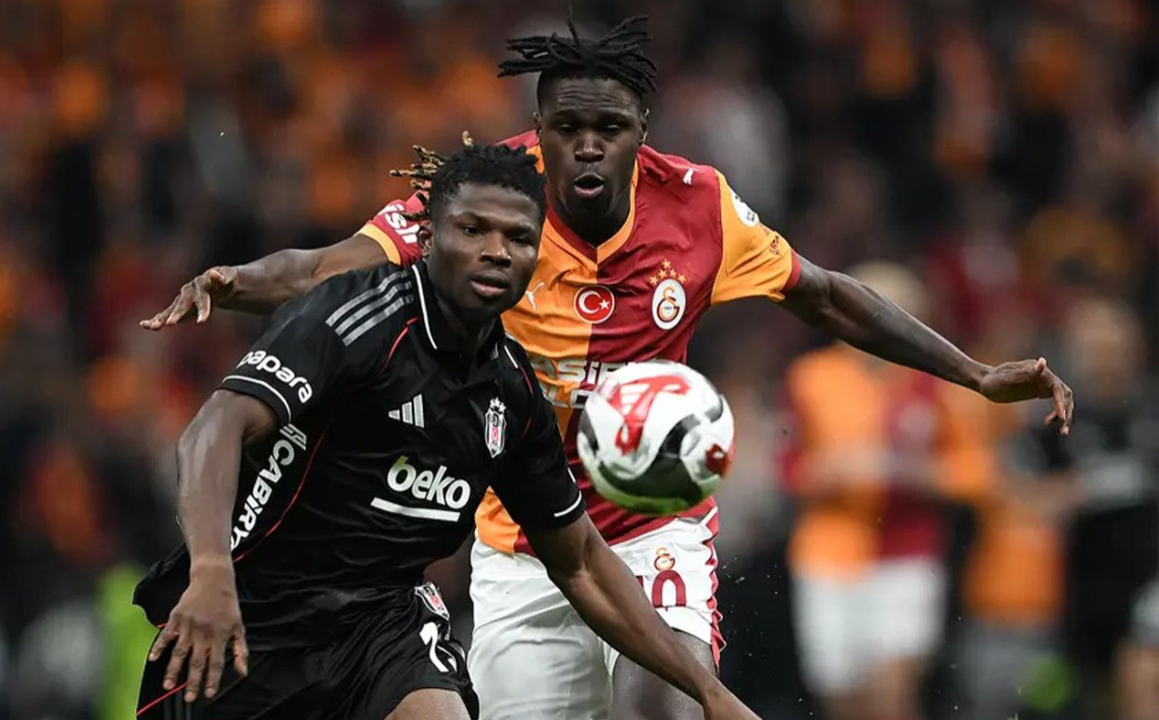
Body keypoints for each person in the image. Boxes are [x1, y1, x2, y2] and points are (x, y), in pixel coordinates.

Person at [141, 16, 1074, 720]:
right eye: (568, 126)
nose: (588, 144)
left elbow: (826, 296)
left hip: (652, 518)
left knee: (666, 698)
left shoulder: (701, 207)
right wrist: (236, 282)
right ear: (539, 130)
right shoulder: (490, 203)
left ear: (642, 129)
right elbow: (332, 270)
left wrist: (976, 373)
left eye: (610, 126)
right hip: (522, 537)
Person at [134, 144, 762, 720]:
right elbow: (214, 428)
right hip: (251, 611)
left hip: (382, 625)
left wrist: (709, 692)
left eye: (519, 238)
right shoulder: (359, 318)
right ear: (428, 236)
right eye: (473, 230)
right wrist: (210, 572)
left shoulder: (511, 392)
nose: (497, 251)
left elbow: (583, 564)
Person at [780, 263, 994, 720]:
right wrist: (825, 472)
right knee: (840, 698)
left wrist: (918, 473)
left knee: (891, 693)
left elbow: (978, 473)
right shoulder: (812, 378)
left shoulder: (939, 384)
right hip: (828, 554)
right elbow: (788, 469)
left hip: (906, 553)